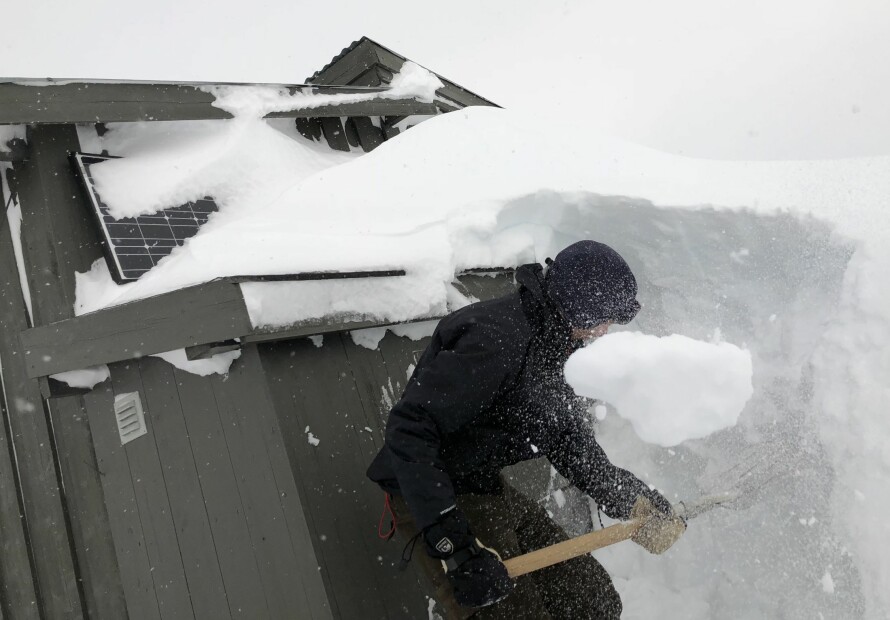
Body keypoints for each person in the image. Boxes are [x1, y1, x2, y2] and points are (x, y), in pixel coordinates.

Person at [367, 240, 685, 619]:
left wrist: (632, 498)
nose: (605, 330)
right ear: (579, 306)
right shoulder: (495, 341)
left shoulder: (557, 343)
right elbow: (409, 428)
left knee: (593, 603)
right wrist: (455, 544)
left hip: (484, 484)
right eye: (604, 318)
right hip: (434, 495)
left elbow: (566, 438)